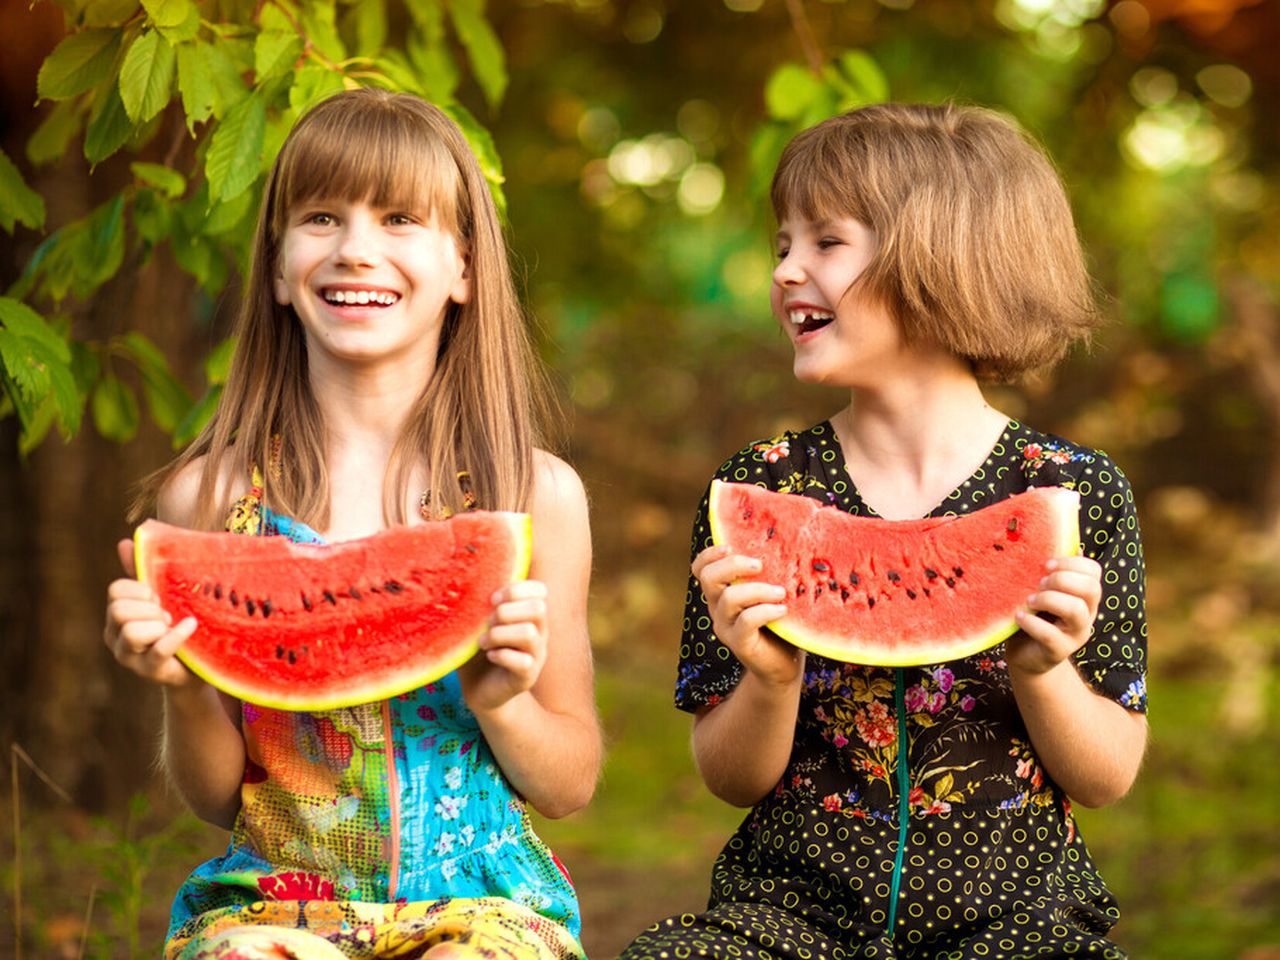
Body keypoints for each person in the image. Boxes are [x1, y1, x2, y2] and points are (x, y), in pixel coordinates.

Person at [621, 102, 1148, 960]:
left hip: (1014, 924)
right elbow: (729, 777)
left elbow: (1108, 774)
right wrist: (767, 677)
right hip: (790, 918)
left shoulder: (1073, 492)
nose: (788, 271)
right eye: (781, 245)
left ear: (942, 262)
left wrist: (1046, 673)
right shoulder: (759, 485)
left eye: (826, 244)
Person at [103, 88, 601, 960]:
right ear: (277, 268)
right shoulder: (213, 501)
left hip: (485, 907)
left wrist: (505, 703)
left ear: (465, 269)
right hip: (272, 902)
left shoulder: (531, 497)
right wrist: (180, 683)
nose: (355, 249)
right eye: (321, 217)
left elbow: (571, 783)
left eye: (400, 218)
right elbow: (222, 800)